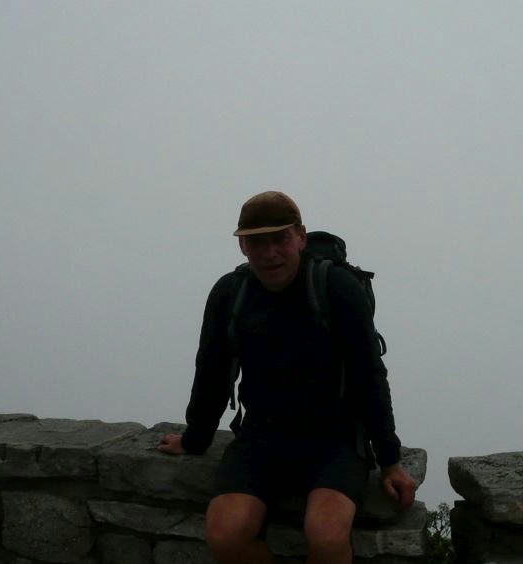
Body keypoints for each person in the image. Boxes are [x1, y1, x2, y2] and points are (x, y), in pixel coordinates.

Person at [158, 190, 416, 564]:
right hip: (261, 436)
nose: (270, 253)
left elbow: (369, 374)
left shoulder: (336, 288)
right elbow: (213, 370)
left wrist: (390, 460)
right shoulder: (231, 293)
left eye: (280, 238)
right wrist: (195, 438)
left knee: (326, 538)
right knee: (225, 535)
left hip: (336, 439)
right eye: (257, 242)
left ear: (301, 237)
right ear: (242, 246)